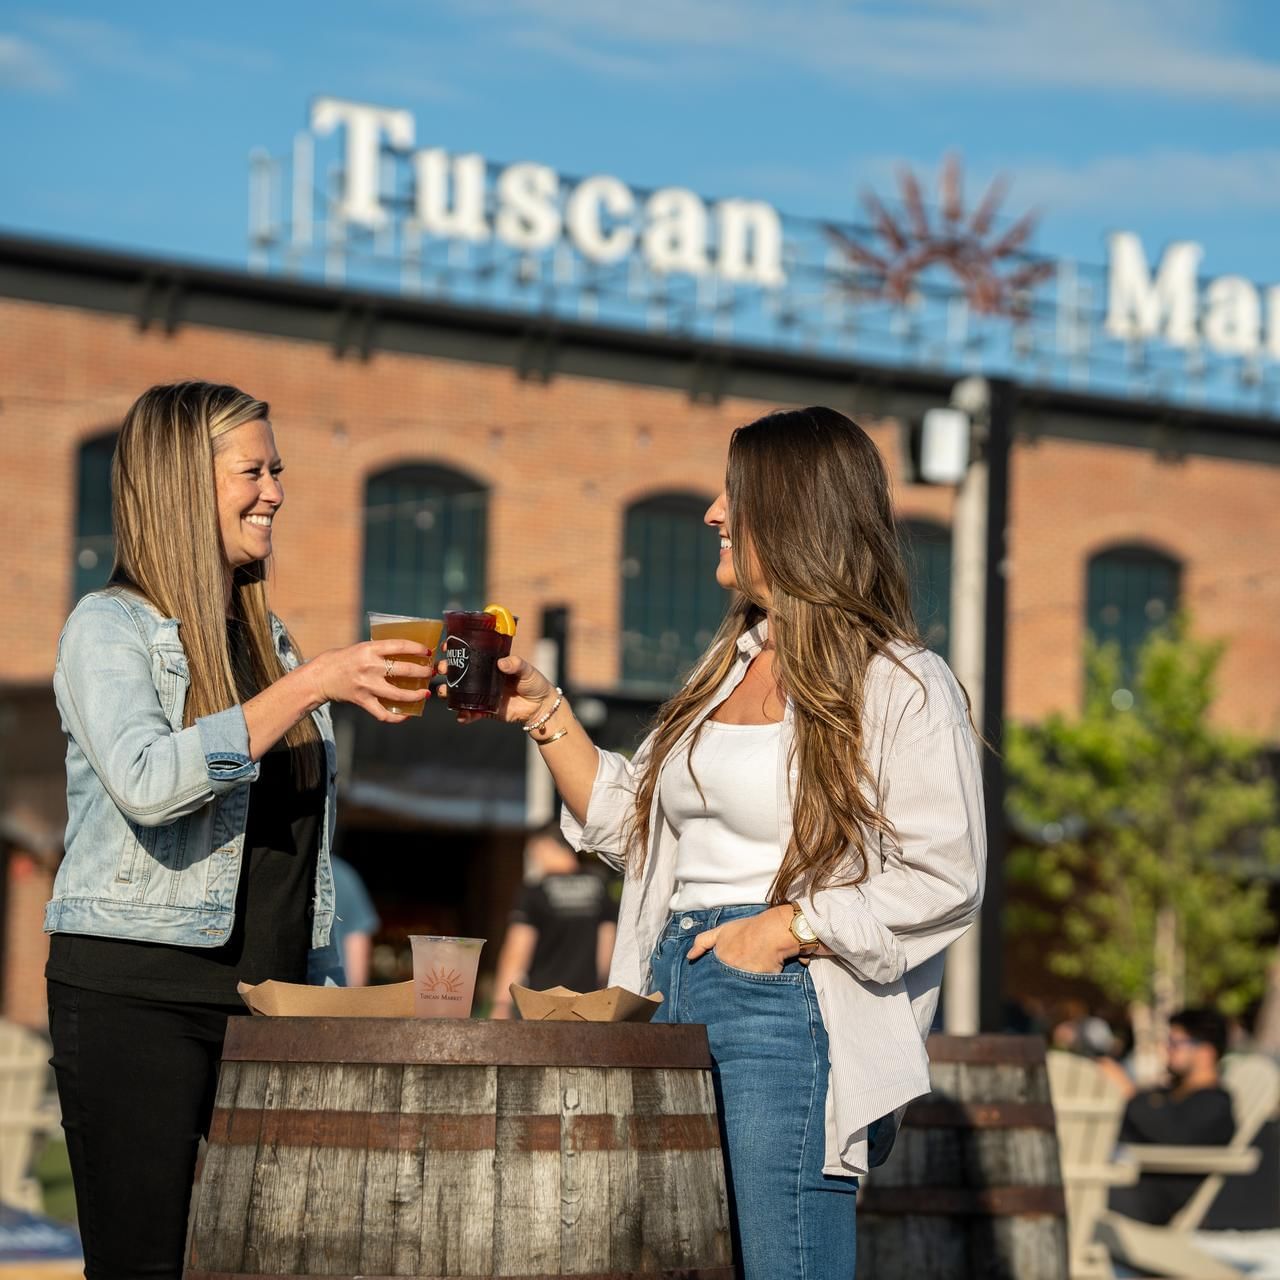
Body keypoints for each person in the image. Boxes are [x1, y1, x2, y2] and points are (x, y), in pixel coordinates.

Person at [444, 406, 987, 1279]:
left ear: (795, 513)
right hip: (664, 984)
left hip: (784, 1001)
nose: (711, 514)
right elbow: (630, 825)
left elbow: (944, 875)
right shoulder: (724, 671)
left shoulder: (899, 682)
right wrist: (545, 715)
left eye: (732, 495)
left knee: (785, 1261)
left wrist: (784, 930)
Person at [43, 380, 433, 1280]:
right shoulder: (109, 629)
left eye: (278, 469)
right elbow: (146, 782)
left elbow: (295, 859)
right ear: (184, 483)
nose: (276, 492)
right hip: (140, 998)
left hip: (273, 1006)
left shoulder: (271, 640)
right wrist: (311, 686)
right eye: (252, 471)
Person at [1106, 1008, 1237, 1225]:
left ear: (1206, 1051)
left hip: (1151, 1201)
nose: (1167, 1049)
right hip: (1125, 1184)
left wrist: (1128, 1092)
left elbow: (1172, 1134)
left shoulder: (1214, 1104)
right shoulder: (1167, 1094)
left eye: (1176, 1043)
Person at [490, 820, 617, 1017]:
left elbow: (517, 952)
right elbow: (606, 951)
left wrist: (501, 1004)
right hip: (587, 1005)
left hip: (543, 1005)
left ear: (548, 846)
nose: (534, 860)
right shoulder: (600, 886)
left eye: (534, 853)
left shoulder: (534, 891)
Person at [330, 854, 381, 985]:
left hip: (287, 992)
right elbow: (357, 942)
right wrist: (354, 1000)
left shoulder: (342, 875)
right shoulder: (343, 874)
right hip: (335, 993)